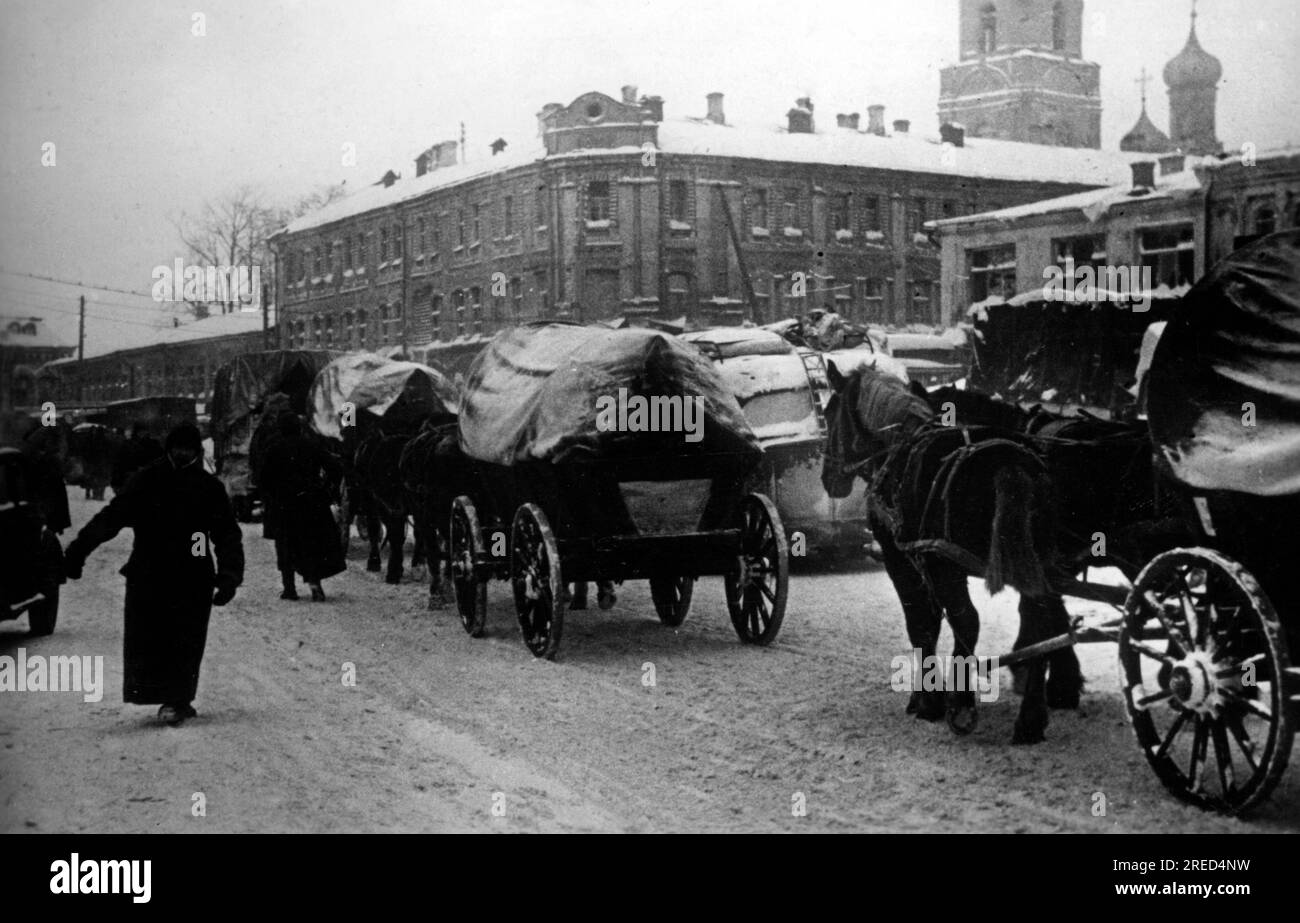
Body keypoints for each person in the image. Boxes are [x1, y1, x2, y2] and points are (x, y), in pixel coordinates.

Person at [62, 423, 244, 727]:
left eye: (188, 448)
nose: (182, 454)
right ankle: (161, 694)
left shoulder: (208, 486)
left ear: (197, 451)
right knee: (151, 638)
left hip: (193, 574)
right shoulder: (146, 480)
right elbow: (112, 517)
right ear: (169, 449)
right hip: (150, 571)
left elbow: (226, 534)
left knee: (187, 639)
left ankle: (178, 698)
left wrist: (229, 575)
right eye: (177, 448)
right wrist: (78, 550)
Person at [259, 412, 345, 601]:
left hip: (285, 504)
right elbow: (336, 468)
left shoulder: (274, 449)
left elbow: (263, 479)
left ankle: (289, 589)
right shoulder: (312, 446)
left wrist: (273, 496)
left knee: (285, 545)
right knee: (311, 545)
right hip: (311, 501)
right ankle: (315, 585)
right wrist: (325, 488)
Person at [111, 422, 163, 495]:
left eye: (144, 431)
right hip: (129, 481)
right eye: (141, 431)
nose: (142, 433)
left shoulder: (154, 445)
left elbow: (160, 462)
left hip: (148, 482)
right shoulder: (127, 445)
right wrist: (116, 482)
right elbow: (119, 464)